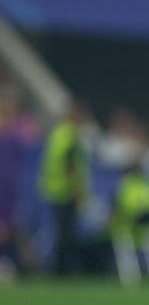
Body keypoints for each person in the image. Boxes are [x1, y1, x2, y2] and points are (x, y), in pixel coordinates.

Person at [38, 104, 91, 275]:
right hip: (65, 192)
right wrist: (77, 192)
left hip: (53, 190)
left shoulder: (57, 134)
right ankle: (64, 270)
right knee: (66, 235)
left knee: (59, 233)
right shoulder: (70, 135)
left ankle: (56, 269)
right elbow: (70, 166)